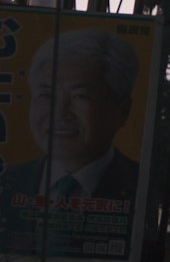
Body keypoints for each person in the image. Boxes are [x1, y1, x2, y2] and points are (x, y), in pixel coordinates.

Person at [2, 25, 142, 206]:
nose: (59, 113)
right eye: (47, 95)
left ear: (122, 110)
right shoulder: (6, 181)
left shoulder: (143, 186)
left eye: (80, 96)